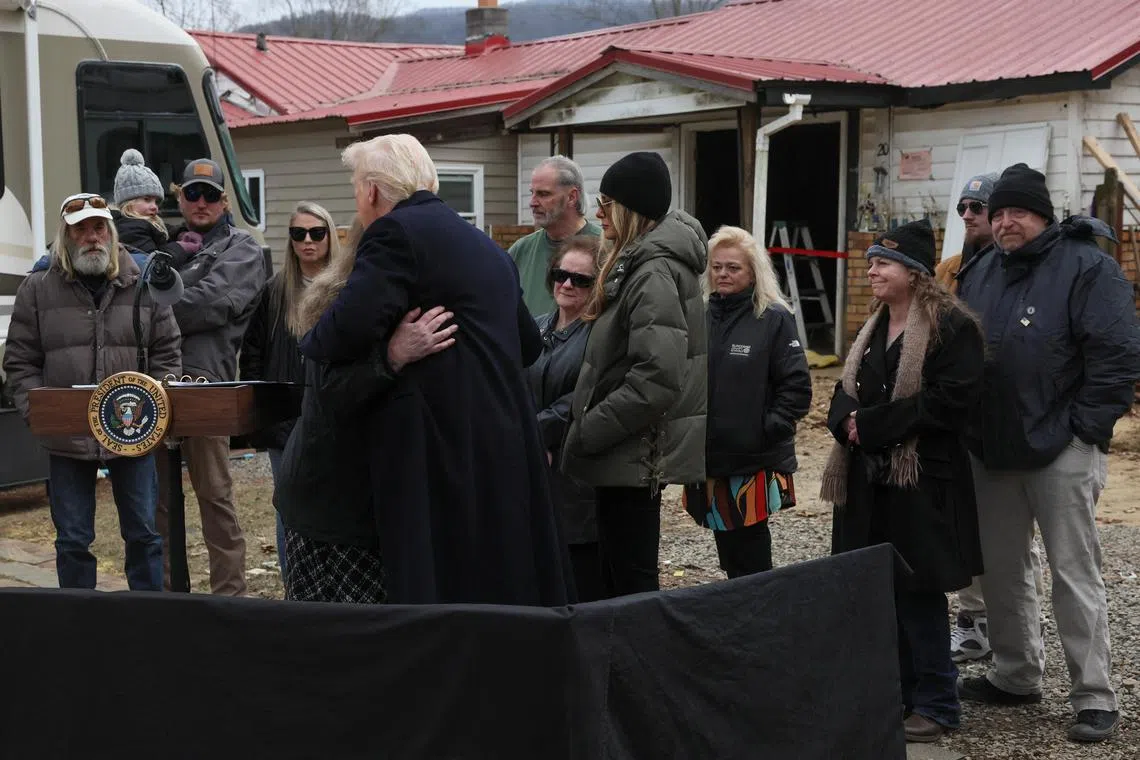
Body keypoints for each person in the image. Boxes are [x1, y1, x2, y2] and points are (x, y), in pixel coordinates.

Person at [296, 134, 571, 606]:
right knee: (499, 580)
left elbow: (338, 335)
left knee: (442, 587)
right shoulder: (483, 246)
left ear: (372, 191)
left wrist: (323, 340)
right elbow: (526, 344)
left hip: (439, 441)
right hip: (505, 438)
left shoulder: (393, 234)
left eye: (356, 186)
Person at [956, 164, 1140, 743]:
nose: (1006, 222)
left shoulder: (1088, 268)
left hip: (1063, 448)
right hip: (991, 448)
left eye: (1020, 212)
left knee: (1073, 570)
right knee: (1002, 570)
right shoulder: (981, 269)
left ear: (1045, 214)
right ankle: (1016, 674)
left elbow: (1116, 356)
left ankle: (1094, 695)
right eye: (1000, 212)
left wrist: (1085, 430)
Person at [821, 218, 984, 743]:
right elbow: (845, 391)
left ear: (915, 274)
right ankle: (896, 693)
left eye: (883, 263)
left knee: (918, 591)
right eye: (870, 262)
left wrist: (865, 426)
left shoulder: (952, 328)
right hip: (868, 481)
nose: (872, 271)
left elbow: (948, 403)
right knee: (874, 590)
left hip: (921, 483)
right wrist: (845, 421)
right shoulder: (871, 328)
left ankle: (937, 704)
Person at [3, 193, 181, 590]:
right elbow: (19, 361)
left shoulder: (143, 283)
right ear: (65, 237)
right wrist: (40, 412)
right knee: (72, 540)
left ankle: (148, 622)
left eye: (99, 227)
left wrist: (158, 409)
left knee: (144, 537)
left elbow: (168, 353)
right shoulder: (37, 289)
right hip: (68, 439)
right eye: (80, 228)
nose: (91, 237)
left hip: (134, 435)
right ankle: (78, 626)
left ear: (112, 232)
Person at [275, 218, 458, 603]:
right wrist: (391, 356)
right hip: (327, 502)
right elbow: (330, 394)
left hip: (361, 502)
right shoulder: (339, 305)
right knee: (332, 632)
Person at [561, 151, 707, 598]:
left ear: (630, 210)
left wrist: (590, 429)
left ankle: (639, 668)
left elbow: (658, 377)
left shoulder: (654, 271)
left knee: (630, 585)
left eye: (606, 203)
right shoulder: (639, 261)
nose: (597, 214)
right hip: (624, 451)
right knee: (616, 578)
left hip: (633, 452)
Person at [937, 172, 1046, 664]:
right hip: (961, 422)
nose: (970, 217)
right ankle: (978, 624)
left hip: (1014, 429)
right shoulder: (951, 270)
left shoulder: (1021, 269)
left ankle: (1007, 640)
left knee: (1006, 545)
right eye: (965, 208)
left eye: (978, 208)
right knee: (966, 525)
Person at [155, 158, 268, 596]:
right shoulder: (164, 243)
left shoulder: (243, 248)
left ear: (224, 201)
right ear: (179, 197)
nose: (200, 202)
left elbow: (213, 302)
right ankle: (166, 598)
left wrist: (154, 306)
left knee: (215, 495)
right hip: (156, 381)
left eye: (210, 195)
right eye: (192, 193)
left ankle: (230, 600)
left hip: (207, 385)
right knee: (159, 503)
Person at [684, 225, 810, 578]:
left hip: (752, 461)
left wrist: (765, 430)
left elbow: (797, 387)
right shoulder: (699, 314)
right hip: (708, 458)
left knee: (751, 558)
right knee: (727, 554)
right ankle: (737, 623)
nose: (723, 274)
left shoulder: (773, 317)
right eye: (717, 266)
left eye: (733, 267)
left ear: (754, 271)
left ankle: (762, 626)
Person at [240, 201, 342, 585]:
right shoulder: (273, 292)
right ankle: (294, 587)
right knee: (288, 507)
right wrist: (260, 412)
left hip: (334, 417)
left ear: (331, 235)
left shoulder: (345, 289)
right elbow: (251, 356)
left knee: (334, 506)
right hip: (284, 422)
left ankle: (330, 586)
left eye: (317, 232)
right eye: (299, 234)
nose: (308, 241)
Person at [526, 235, 604, 602]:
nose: (567, 284)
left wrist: (536, 432)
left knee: (578, 576)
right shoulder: (535, 327)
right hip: (530, 466)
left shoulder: (601, 335)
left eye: (581, 279)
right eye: (561, 274)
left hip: (575, 474)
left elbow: (583, 397)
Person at [509, 156, 601, 316]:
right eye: (532, 193)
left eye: (543, 194)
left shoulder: (605, 247)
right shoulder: (521, 250)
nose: (532, 202)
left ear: (572, 197)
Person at [110, 148, 202, 263]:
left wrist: (180, 233)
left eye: (156, 201)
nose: (155, 207)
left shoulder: (140, 223)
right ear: (128, 202)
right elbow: (156, 267)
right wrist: (180, 248)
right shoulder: (129, 230)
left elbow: (163, 231)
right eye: (147, 199)